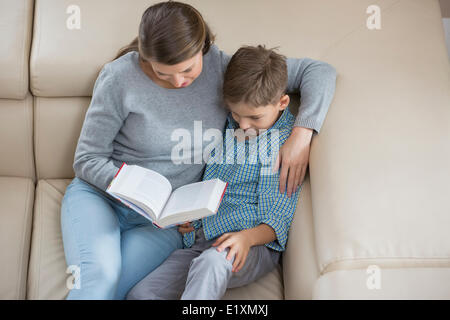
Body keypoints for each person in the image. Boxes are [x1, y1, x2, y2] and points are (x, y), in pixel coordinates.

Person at [61, 1, 337, 300]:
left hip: (162, 222)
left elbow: (318, 71)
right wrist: (133, 187)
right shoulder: (119, 78)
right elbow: (87, 159)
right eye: (162, 73)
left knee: (121, 288)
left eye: (187, 69)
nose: (178, 82)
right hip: (102, 197)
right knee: (100, 276)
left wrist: (302, 133)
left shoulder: (225, 69)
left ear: (203, 47)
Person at [126, 45, 302, 300]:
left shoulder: (282, 144)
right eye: (236, 113)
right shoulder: (227, 127)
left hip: (251, 244)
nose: (243, 125)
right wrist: (190, 217)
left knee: (212, 264)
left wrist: (246, 239)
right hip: (203, 240)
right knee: (142, 294)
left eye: (254, 117)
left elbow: (277, 218)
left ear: (282, 102)